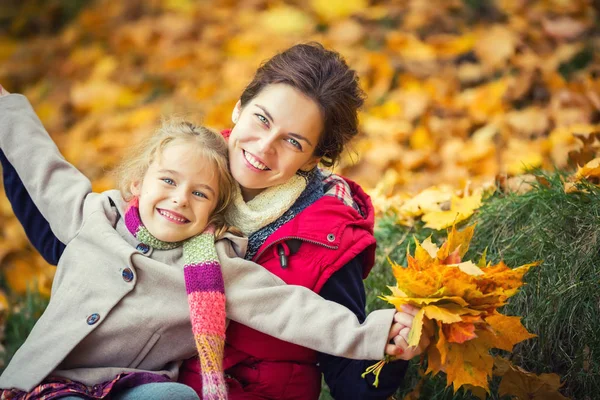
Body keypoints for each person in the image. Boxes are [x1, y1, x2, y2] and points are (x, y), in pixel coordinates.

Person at [0, 42, 429, 399]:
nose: (263, 147)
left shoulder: (321, 238)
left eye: (293, 141)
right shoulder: (183, 169)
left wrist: (385, 342)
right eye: (261, 119)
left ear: (314, 158)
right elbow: (68, 210)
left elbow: (314, 328)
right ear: (238, 109)